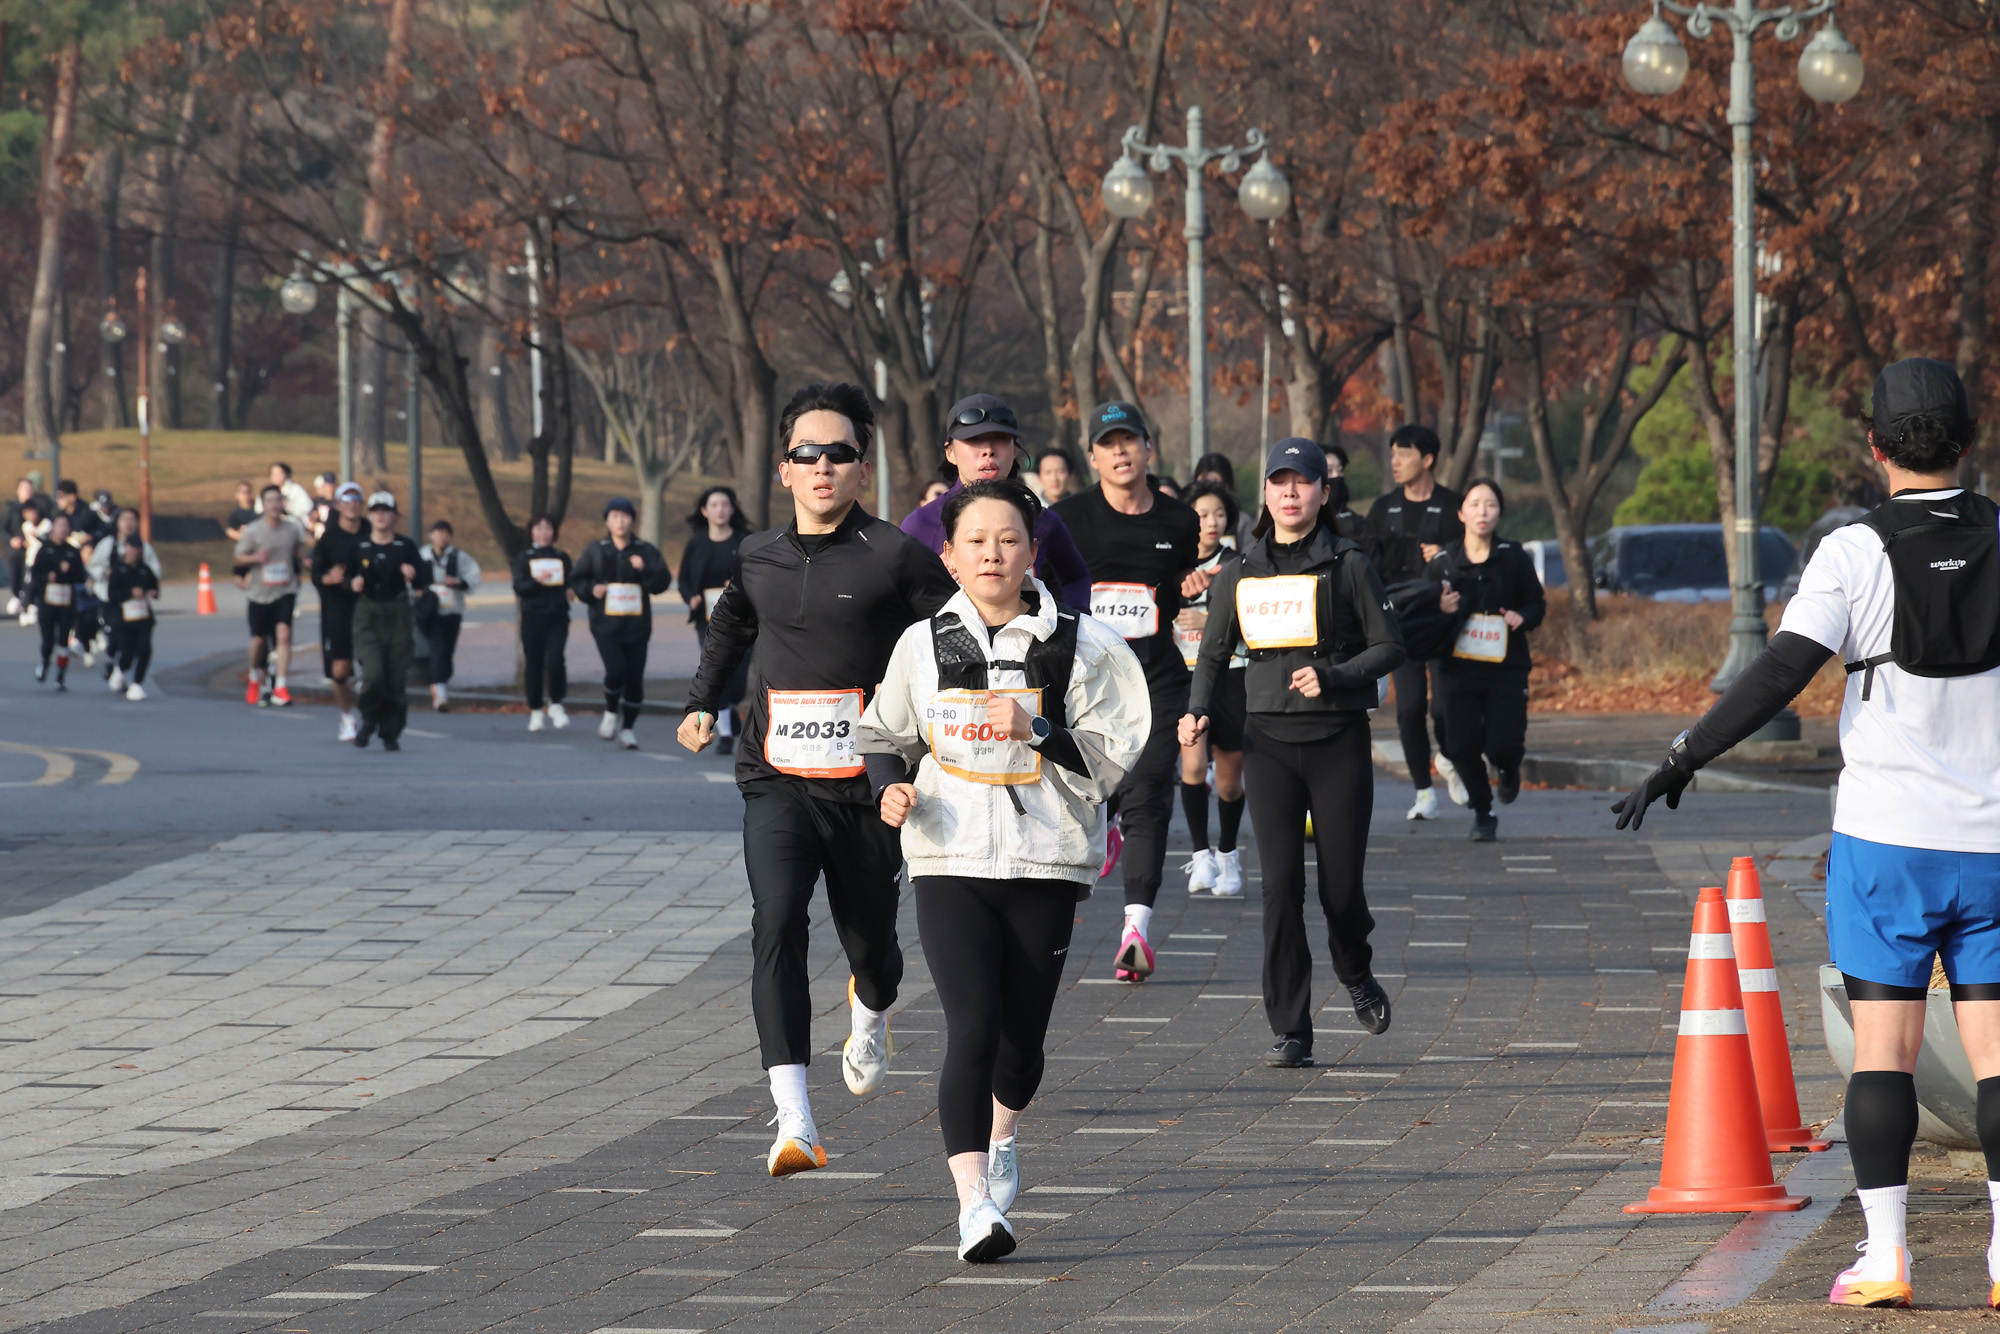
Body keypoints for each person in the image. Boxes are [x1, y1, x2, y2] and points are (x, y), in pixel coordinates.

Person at [1614, 358, 2000, 1312]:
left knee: (1885, 1052)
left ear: (1874, 448)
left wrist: (1684, 755)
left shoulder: (1852, 553)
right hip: (1995, 843)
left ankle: (1887, 1258)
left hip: (1884, 845)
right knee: (1998, 1056)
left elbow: (1780, 672)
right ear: (1969, 441)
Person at [859, 478, 1149, 1263]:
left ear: (1033, 551)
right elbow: (882, 733)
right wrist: (892, 788)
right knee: (972, 1029)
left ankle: (1005, 1131)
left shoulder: (1082, 646)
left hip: (1045, 859)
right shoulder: (922, 645)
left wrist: (1039, 725)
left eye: (1009, 539)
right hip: (947, 854)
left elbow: (1113, 758)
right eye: (976, 541)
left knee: (1021, 1045)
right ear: (948, 556)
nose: (993, 553)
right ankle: (974, 1205)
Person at [677, 380, 958, 1179]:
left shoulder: (893, 557)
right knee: (777, 920)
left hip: (868, 788)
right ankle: (794, 1119)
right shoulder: (758, 556)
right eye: (810, 453)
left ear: (862, 471)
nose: (824, 465)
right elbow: (732, 621)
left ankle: (870, 1012)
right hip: (776, 778)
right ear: (785, 469)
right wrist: (703, 703)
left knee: (875, 951)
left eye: (841, 453)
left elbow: (955, 635)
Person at [1182, 438, 1406, 1068]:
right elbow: (1212, 650)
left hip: (1338, 740)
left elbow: (1391, 646)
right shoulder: (1241, 572)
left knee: (1341, 891)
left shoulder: (1349, 564)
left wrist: (1332, 675)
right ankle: (1292, 1026)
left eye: (1301, 481)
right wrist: (1198, 709)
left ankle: (1355, 969)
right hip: (1269, 744)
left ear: (1322, 492)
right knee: (1279, 888)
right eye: (1278, 481)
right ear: (1266, 495)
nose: (1289, 492)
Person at [1053, 401, 1203, 981]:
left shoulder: (1178, 521)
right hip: (1087, 682)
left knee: (1150, 797)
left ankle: (1135, 928)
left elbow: (1185, 599)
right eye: (1107, 443)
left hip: (1157, 675)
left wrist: (1190, 597)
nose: (1119, 452)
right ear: (1092, 457)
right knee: (1083, 793)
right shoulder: (1066, 519)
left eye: (1129, 441)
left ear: (1148, 450)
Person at [1430, 479, 1544, 842]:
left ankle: (1509, 768)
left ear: (1500, 513)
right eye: (1475, 504)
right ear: (1461, 512)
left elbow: (1536, 604)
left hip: (1505, 669)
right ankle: (1483, 811)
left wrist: (1521, 617)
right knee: (1460, 746)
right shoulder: (1444, 562)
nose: (1482, 512)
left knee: (1502, 744)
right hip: (1456, 669)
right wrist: (1441, 608)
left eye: (1491, 504)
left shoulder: (1513, 556)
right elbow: (1418, 614)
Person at [899, 394, 1093, 608]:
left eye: (1000, 438)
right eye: (973, 439)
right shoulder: (920, 524)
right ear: (950, 453)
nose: (988, 450)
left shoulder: (1043, 521)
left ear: (1014, 450)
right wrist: (933, 580)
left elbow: (1076, 578)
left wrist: (1073, 628)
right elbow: (895, 598)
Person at [1364, 424, 1466, 821]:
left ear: (1427, 459)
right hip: (1400, 623)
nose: (1395, 462)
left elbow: (1470, 559)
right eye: (1392, 455)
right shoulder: (1382, 509)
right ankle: (1424, 792)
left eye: (1404, 454)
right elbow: (1367, 565)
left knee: (1443, 708)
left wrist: (1445, 555)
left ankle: (1449, 757)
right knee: (1407, 710)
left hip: (1442, 623)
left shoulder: (1453, 507)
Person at [1178, 480, 1248, 897]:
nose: (1211, 522)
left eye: (1219, 515)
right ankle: (1201, 854)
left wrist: (1210, 624)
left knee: (1228, 781)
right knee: (1191, 766)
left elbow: (1255, 623)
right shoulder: (1174, 562)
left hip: (1232, 675)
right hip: (1186, 676)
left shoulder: (1238, 565)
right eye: (1202, 514)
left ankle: (1228, 854)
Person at [572, 498, 673, 750]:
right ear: (607, 520)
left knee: (635, 678)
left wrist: (645, 569)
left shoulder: (644, 550)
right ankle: (609, 712)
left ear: (632, 520)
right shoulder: (596, 549)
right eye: (615, 516)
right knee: (616, 670)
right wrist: (590, 589)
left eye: (625, 516)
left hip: (637, 626)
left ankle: (627, 729)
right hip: (604, 624)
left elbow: (662, 582)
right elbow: (576, 579)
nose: (620, 521)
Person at [347, 491, 427, 750]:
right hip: (368, 612)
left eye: (386, 510)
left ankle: (390, 732)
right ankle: (369, 718)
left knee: (395, 677)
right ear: (369, 515)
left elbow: (422, 582)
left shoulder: (405, 546)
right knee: (374, 673)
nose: (381, 516)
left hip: (397, 612)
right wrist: (352, 584)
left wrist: (413, 576)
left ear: (394, 515)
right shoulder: (359, 546)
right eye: (376, 511)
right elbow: (344, 577)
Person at [678, 485, 753, 753]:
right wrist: (691, 598)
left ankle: (729, 711)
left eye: (725, 504)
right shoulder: (697, 543)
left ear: (732, 509)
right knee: (716, 670)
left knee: (738, 684)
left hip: (744, 621)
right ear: (704, 511)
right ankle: (725, 735)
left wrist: (738, 583)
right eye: (714, 505)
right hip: (708, 621)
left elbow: (758, 574)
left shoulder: (746, 541)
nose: (720, 510)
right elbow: (685, 579)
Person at [232, 483, 306, 707]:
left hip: (285, 589)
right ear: (263, 505)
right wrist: (255, 559)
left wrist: (302, 568)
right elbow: (238, 558)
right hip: (259, 593)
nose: (275, 504)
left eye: (278, 500)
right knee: (258, 642)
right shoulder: (254, 530)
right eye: (270, 501)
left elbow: (297, 554)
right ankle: (255, 676)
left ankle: (281, 685)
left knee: (284, 634)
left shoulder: (292, 529)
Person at [312, 482, 369, 741]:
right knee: (339, 670)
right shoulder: (329, 537)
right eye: (347, 500)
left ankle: (367, 696)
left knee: (374, 666)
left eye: (357, 499)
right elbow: (315, 572)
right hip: (337, 607)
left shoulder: (372, 532)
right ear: (337, 505)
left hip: (369, 605)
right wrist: (327, 579)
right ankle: (347, 717)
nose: (353, 504)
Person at [88, 509, 162, 693]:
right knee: (115, 637)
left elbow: (155, 571)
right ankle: (112, 660)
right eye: (124, 519)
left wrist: (149, 589)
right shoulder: (108, 545)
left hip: (137, 605)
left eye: (132, 520)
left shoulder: (144, 548)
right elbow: (93, 566)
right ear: (118, 522)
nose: (128, 523)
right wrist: (105, 573)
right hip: (112, 597)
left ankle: (126, 674)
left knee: (138, 644)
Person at [513, 514, 574, 733]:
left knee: (556, 659)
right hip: (532, 617)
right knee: (534, 663)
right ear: (531, 532)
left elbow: (572, 581)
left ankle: (556, 703)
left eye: (547, 528)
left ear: (554, 532)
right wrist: (537, 580)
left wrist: (571, 589)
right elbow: (519, 587)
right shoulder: (524, 558)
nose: (543, 533)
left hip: (557, 616)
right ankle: (536, 709)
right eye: (538, 528)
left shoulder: (562, 557)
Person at [417, 519, 482, 712]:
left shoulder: (459, 557)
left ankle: (440, 681)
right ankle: (441, 692)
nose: (441, 536)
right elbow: (410, 578)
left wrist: (458, 582)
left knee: (446, 650)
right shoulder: (422, 555)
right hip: (429, 612)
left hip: (452, 611)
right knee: (437, 647)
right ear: (431, 535)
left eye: (445, 532)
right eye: (438, 532)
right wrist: (418, 590)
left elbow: (474, 579)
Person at [28, 515, 86, 689]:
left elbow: (81, 576)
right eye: (59, 525)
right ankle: (44, 662)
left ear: (69, 530)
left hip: (66, 602)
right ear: (53, 528)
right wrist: (47, 577)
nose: (62, 529)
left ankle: (60, 678)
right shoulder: (45, 550)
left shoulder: (72, 551)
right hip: (48, 601)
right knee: (47, 640)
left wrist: (69, 572)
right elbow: (35, 574)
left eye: (66, 526)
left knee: (63, 640)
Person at [106, 538, 160, 701]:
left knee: (144, 650)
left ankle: (137, 684)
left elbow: (155, 587)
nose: (134, 552)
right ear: (126, 549)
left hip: (143, 617)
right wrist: (130, 594)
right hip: (124, 618)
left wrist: (152, 593)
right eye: (131, 548)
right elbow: (112, 595)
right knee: (127, 651)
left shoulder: (145, 569)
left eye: (137, 549)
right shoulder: (118, 570)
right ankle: (121, 670)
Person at [1193, 451, 1258, 551]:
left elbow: (1250, 559)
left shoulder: (1241, 522)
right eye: (1204, 483)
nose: (1212, 523)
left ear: (1228, 485)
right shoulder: (1186, 520)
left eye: (1216, 484)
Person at [5, 478, 50, 617]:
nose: (27, 492)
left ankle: (30, 604)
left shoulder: (41, 507)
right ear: (18, 491)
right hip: (16, 551)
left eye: (29, 489)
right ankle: (18, 596)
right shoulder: (11, 508)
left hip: (34, 552)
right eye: (24, 489)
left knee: (32, 579)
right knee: (17, 574)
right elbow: (3, 528)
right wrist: (11, 540)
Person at [11, 497, 47, 625]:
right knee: (29, 585)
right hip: (30, 560)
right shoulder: (26, 526)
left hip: (44, 561)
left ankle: (35, 608)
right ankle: (27, 609)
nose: (29, 515)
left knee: (40, 586)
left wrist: (38, 536)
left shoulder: (46, 524)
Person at [270, 461, 313, 527]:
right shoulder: (269, 492)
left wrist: (289, 506)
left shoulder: (296, 489)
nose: (275, 476)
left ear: (286, 474)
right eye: (273, 473)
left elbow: (307, 507)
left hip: (294, 525)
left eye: (278, 473)